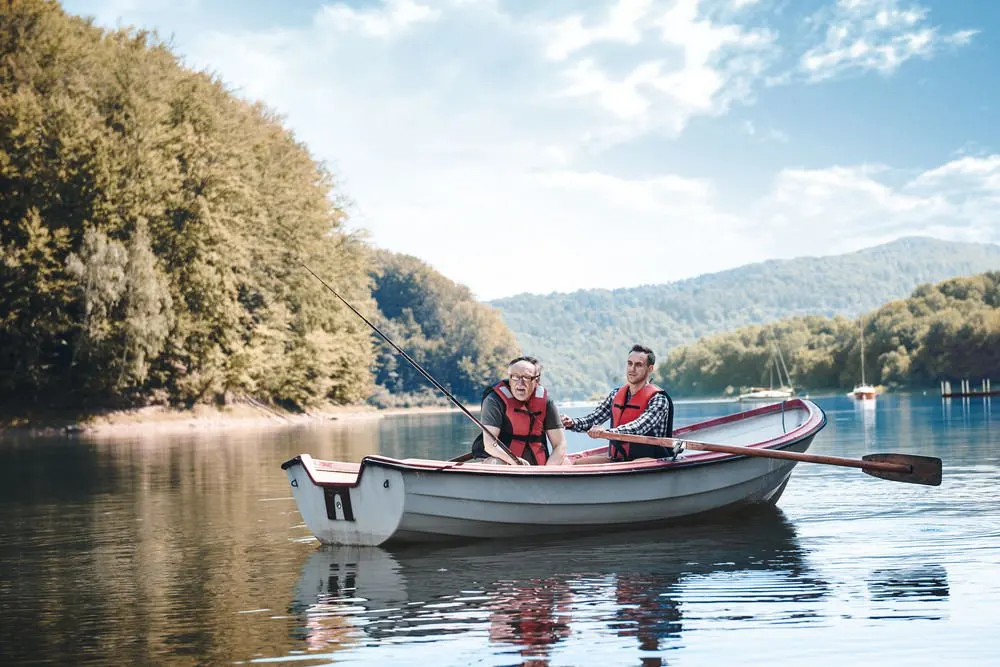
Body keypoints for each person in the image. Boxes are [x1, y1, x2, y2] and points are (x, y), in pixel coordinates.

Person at [561, 344, 676, 463]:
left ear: (650, 369)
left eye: (638, 365)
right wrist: (572, 423)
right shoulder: (616, 395)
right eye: (630, 363)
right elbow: (594, 418)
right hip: (619, 459)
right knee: (577, 463)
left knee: (635, 464)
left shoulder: (659, 400)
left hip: (650, 460)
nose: (632, 369)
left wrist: (606, 433)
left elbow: (638, 427)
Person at [471, 355, 571, 466]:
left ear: (536, 380)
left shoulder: (546, 402)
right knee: (495, 463)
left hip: (539, 466)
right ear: (509, 378)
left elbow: (560, 444)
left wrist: (547, 471)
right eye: (515, 377)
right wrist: (514, 461)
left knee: (565, 462)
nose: (520, 383)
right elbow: (490, 445)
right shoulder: (494, 400)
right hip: (505, 462)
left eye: (526, 378)